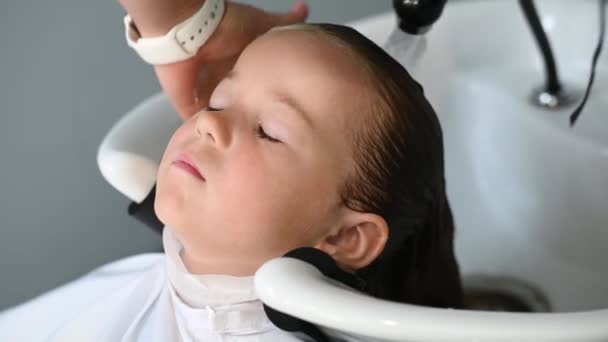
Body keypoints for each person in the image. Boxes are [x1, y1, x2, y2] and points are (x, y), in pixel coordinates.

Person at [0, 3, 462, 341]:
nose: (208, 121)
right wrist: (185, 20)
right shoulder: (129, 289)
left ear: (345, 237)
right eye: (220, 98)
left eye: (268, 131)